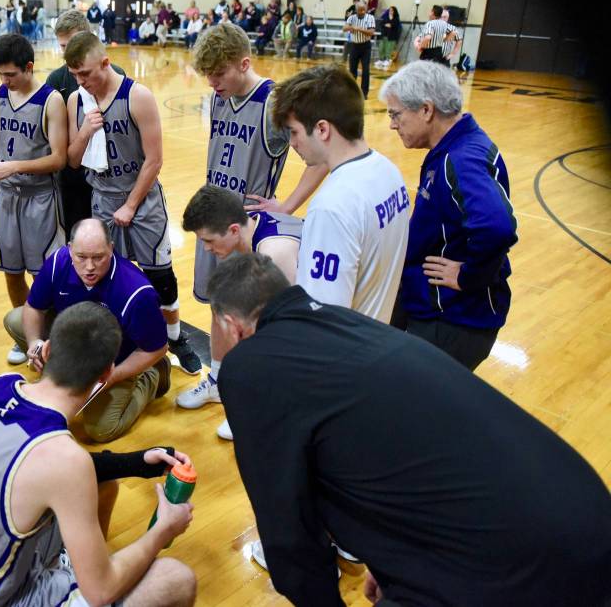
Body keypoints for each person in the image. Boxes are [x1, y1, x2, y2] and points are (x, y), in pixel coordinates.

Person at [208, 252, 611, 607]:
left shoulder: (252, 366)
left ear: (231, 325)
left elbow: (288, 532)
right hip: (585, 512)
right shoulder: (345, 323)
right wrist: (393, 563)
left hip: (512, 570)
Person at [0, 302, 197, 607]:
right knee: (175, 579)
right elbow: (101, 591)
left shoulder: (2, 386)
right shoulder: (63, 459)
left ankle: (79, 568)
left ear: (47, 350)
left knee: (103, 483)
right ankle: (87, 573)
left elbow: (49, 467)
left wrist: (137, 462)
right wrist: (163, 529)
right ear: (107, 374)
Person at [180, 23, 327, 439]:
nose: (212, 82)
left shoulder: (274, 103)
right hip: (214, 220)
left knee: (251, 321)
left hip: (247, 230)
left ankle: (249, 398)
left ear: (244, 63)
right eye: (207, 75)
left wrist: (288, 204)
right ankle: (218, 382)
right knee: (215, 305)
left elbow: (319, 158)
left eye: (219, 74)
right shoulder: (218, 97)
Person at [65, 32, 201, 374]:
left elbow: (154, 160)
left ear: (105, 63)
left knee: (160, 276)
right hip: (103, 199)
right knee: (112, 278)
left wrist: (130, 204)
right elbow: (72, 160)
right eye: (75, 75)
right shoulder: (76, 101)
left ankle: (175, 337)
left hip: (142, 201)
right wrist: (83, 132)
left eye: (85, 73)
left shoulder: (137, 96)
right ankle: (125, 342)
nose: (80, 81)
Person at [381, 61, 516, 369]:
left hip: (452, 320)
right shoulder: (455, 146)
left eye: (396, 114)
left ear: (426, 110)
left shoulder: (460, 159)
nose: (392, 124)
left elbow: (497, 228)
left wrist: (468, 276)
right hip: (437, 311)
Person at [3, 219, 171, 442]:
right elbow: (33, 307)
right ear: (70, 249)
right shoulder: (57, 263)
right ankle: (59, 368)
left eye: (98, 257)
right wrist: (35, 343)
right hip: (78, 344)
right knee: (15, 319)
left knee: (100, 429)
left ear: (111, 248)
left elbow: (158, 348)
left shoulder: (137, 292)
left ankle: (152, 376)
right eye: (81, 257)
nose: (89, 267)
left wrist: (112, 376)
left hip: (114, 361)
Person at [272, 64, 409, 321]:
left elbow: (323, 321)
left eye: (294, 132)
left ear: (322, 129)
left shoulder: (332, 206)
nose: (292, 143)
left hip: (344, 356)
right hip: (375, 335)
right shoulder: (389, 172)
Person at [0, 34, 67, 365]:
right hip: (7, 198)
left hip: (40, 199)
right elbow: (5, 132)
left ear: (29, 67)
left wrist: (15, 165)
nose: (4, 81)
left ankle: (48, 337)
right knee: (11, 271)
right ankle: (23, 332)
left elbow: (59, 159)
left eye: (10, 74)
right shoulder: (2, 92)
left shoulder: (50, 101)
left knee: (42, 276)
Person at [47, 10, 128, 235]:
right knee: (79, 239)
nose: (67, 52)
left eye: (71, 43)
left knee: (111, 242)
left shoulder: (115, 74)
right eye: (62, 47)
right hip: (74, 177)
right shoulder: (57, 80)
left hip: (110, 177)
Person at [343, 1, 375, 99]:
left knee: (366, 70)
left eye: (363, 9)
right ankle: (351, 91)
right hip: (354, 46)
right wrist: (351, 27)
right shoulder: (351, 18)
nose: (361, 11)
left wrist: (360, 29)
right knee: (352, 70)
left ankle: (364, 93)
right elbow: (344, 28)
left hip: (365, 46)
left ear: (365, 9)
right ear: (356, 10)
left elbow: (371, 32)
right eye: (359, 10)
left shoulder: (370, 18)